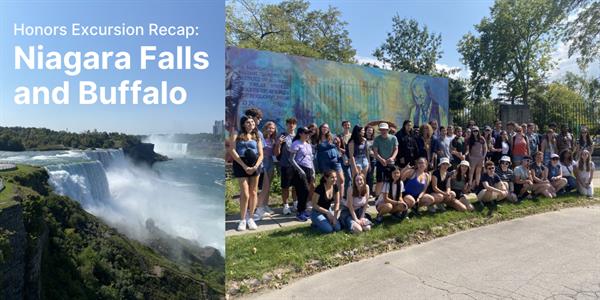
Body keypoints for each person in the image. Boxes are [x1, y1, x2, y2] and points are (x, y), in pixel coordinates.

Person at [229, 116, 263, 231]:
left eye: (252, 122)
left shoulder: (256, 135)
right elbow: (232, 150)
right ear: (243, 124)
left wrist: (255, 166)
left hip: (255, 165)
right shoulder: (236, 133)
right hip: (240, 164)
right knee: (245, 193)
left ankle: (251, 218)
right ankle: (243, 219)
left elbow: (261, 154)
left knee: (253, 192)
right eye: (248, 122)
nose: (251, 124)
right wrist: (244, 166)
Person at [289, 127, 315, 222]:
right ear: (300, 133)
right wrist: (300, 170)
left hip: (308, 169)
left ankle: (303, 210)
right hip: (299, 169)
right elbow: (291, 159)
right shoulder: (296, 144)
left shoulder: (308, 145)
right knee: (303, 191)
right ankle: (300, 212)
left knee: (307, 191)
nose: (308, 135)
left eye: (308, 133)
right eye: (305, 133)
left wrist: (313, 171)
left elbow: (310, 159)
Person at [274, 118, 297, 215]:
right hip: (286, 164)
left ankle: (296, 204)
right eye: (289, 123)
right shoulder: (282, 136)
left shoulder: (298, 136)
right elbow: (276, 153)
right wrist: (278, 143)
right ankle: (286, 206)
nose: (291, 125)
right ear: (286, 125)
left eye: (293, 123)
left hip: (297, 165)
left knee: (296, 186)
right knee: (285, 187)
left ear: (295, 125)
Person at [316, 123, 345, 198]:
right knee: (328, 181)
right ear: (320, 128)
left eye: (326, 128)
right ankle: (329, 197)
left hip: (334, 160)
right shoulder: (317, 138)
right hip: (324, 162)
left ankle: (340, 198)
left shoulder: (332, 136)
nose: (325, 129)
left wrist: (338, 143)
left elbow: (338, 146)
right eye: (323, 127)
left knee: (341, 179)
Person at [256, 121, 277, 219]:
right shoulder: (261, 137)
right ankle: (259, 207)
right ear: (265, 128)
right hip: (263, 161)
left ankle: (265, 205)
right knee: (264, 186)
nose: (271, 130)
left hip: (271, 162)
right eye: (269, 128)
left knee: (268, 187)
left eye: (273, 128)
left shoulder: (273, 139)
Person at [373, 122, 399, 196]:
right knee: (379, 180)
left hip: (391, 162)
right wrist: (381, 160)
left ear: (387, 130)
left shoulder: (394, 138)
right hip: (380, 162)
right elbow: (375, 151)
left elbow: (396, 149)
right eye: (381, 130)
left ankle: (390, 195)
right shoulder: (377, 139)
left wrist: (392, 158)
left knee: (391, 179)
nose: (383, 131)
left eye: (385, 129)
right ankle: (377, 197)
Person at [338, 120, 352, 195]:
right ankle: (347, 195)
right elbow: (337, 147)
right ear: (343, 126)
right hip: (344, 159)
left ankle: (353, 194)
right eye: (345, 125)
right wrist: (345, 152)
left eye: (348, 125)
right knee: (348, 177)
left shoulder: (352, 136)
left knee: (354, 177)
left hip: (353, 158)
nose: (347, 126)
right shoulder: (340, 136)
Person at [365, 125, 377, 196]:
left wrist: (373, 153)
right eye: (368, 130)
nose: (369, 131)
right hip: (364, 159)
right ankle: (364, 190)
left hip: (372, 159)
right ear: (365, 131)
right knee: (365, 175)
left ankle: (370, 191)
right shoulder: (363, 139)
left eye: (371, 130)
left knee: (371, 175)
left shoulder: (374, 140)